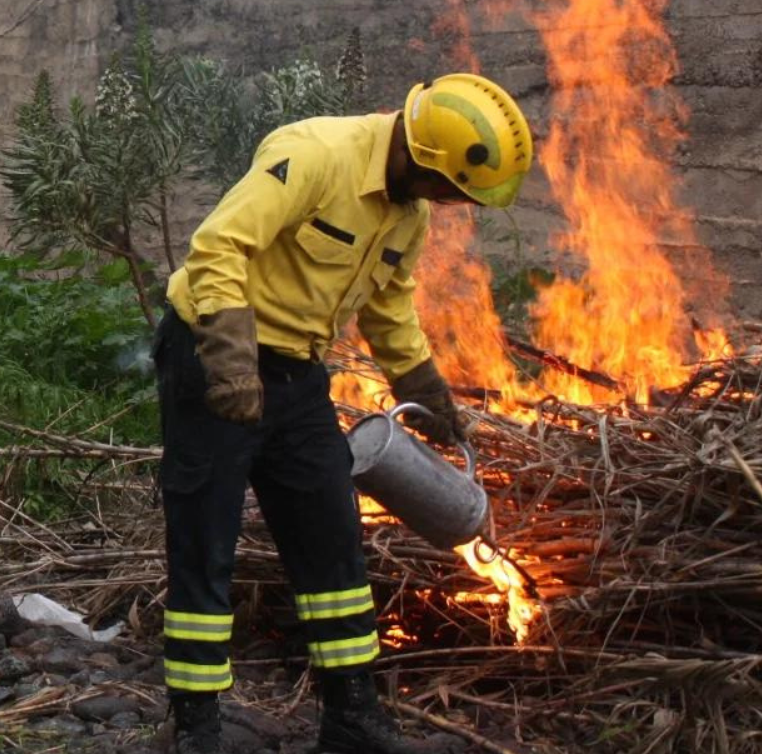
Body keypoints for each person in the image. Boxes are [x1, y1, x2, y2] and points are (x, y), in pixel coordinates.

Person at [154, 73, 533, 754]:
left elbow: (388, 307)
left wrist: (426, 388)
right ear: (425, 160)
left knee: (331, 537)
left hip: (298, 374)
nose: (453, 205)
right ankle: (197, 728)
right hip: (215, 352)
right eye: (455, 189)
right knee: (205, 537)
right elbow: (219, 245)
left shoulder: (406, 214)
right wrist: (232, 360)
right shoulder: (316, 154)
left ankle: (353, 719)